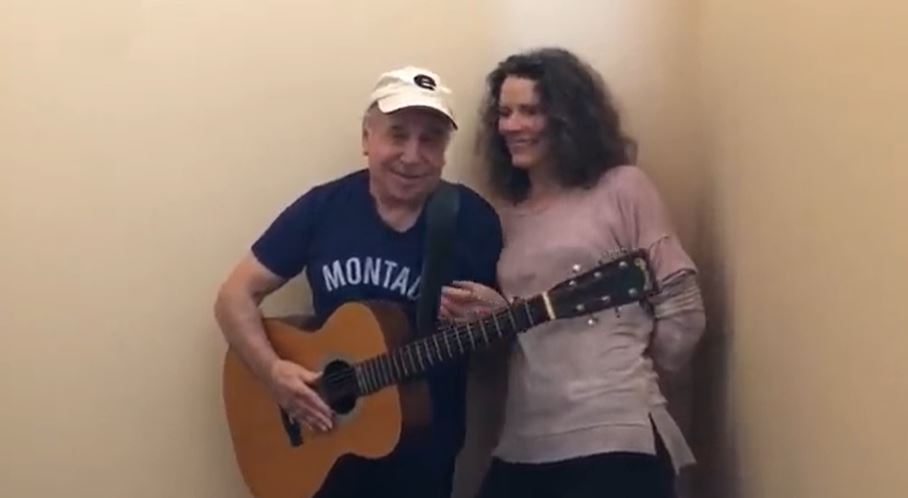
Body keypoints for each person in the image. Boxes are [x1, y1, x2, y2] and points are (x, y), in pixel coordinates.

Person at [214, 65, 503, 498]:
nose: (412, 155)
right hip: (323, 451)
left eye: (429, 140)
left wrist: (499, 319)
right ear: (367, 138)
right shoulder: (323, 209)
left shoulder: (472, 221)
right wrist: (273, 373)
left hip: (423, 460)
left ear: (445, 151)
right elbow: (234, 296)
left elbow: (493, 354)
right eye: (397, 135)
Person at [440, 47, 706, 498]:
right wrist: (496, 316)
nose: (512, 126)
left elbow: (683, 308)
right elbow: (513, 339)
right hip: (525, 440)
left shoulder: (623, 188)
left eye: (530, 111)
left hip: (616, 437)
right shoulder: (503, 216)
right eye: (505, 113)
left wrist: (625, 377)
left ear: (568, 116)